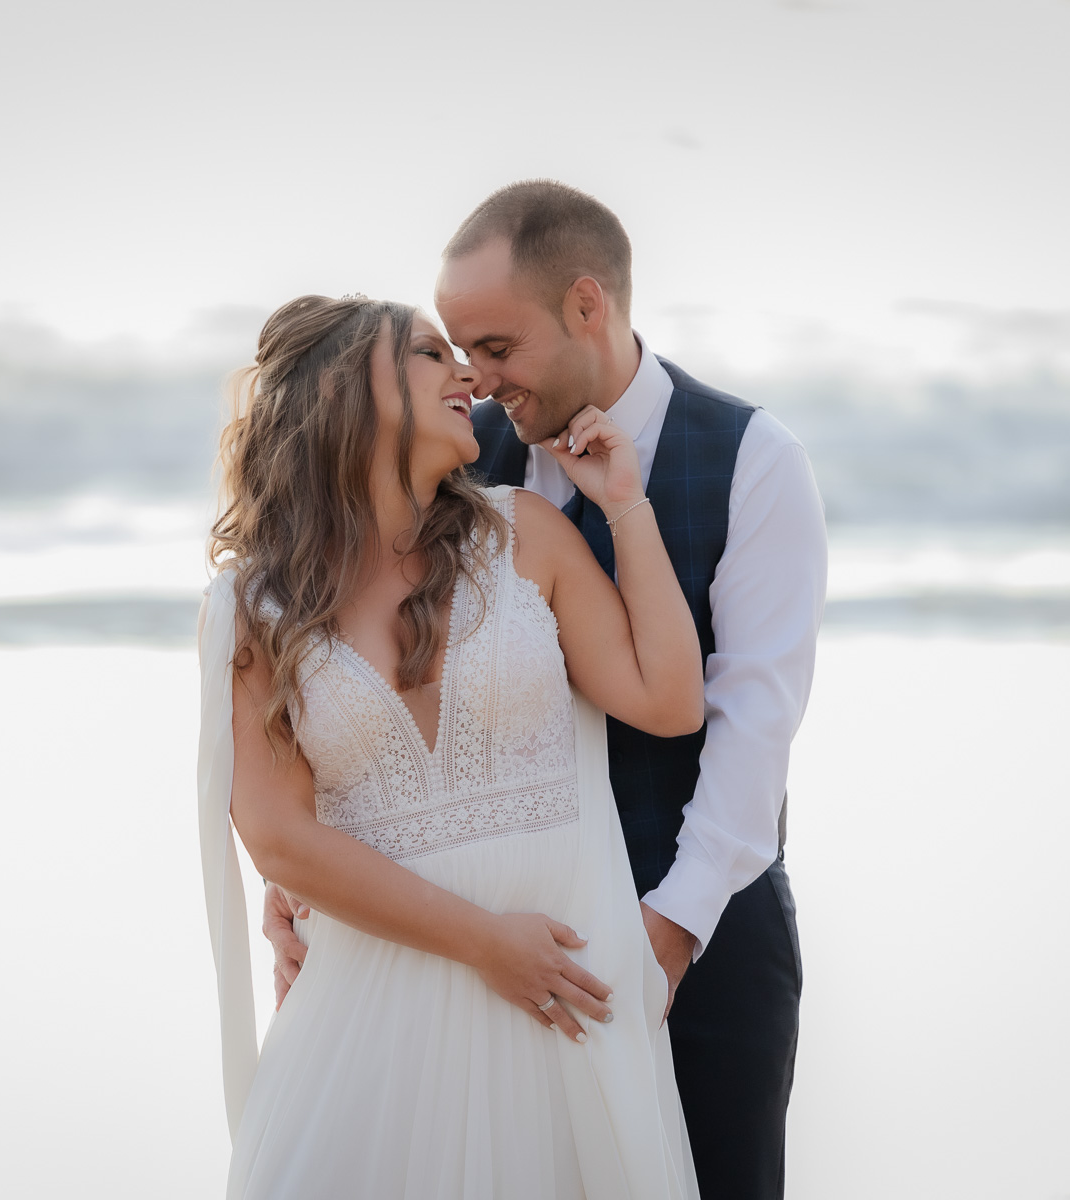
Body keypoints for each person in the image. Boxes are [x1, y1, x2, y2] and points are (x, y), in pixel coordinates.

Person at [266, 182, 827, 1199]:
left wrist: (664, 937)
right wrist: (302, 879)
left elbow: (754, 730)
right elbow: (362, 664)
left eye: (495, 346)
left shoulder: (755, 461)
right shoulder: (453, 453)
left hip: (700, 926)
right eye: (458, 350)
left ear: (585, 307)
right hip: (496, 951)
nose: (478, 378)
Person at [197, 293, 709, 1198]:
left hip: (561, 1021)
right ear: (348, 391)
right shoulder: (253, 607)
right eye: (434, 354)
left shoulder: (525, 535)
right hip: (370, 1028)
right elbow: (279, 839)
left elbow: (668, 701)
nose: (468, 375)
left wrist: (626, 506)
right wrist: (483, 941)